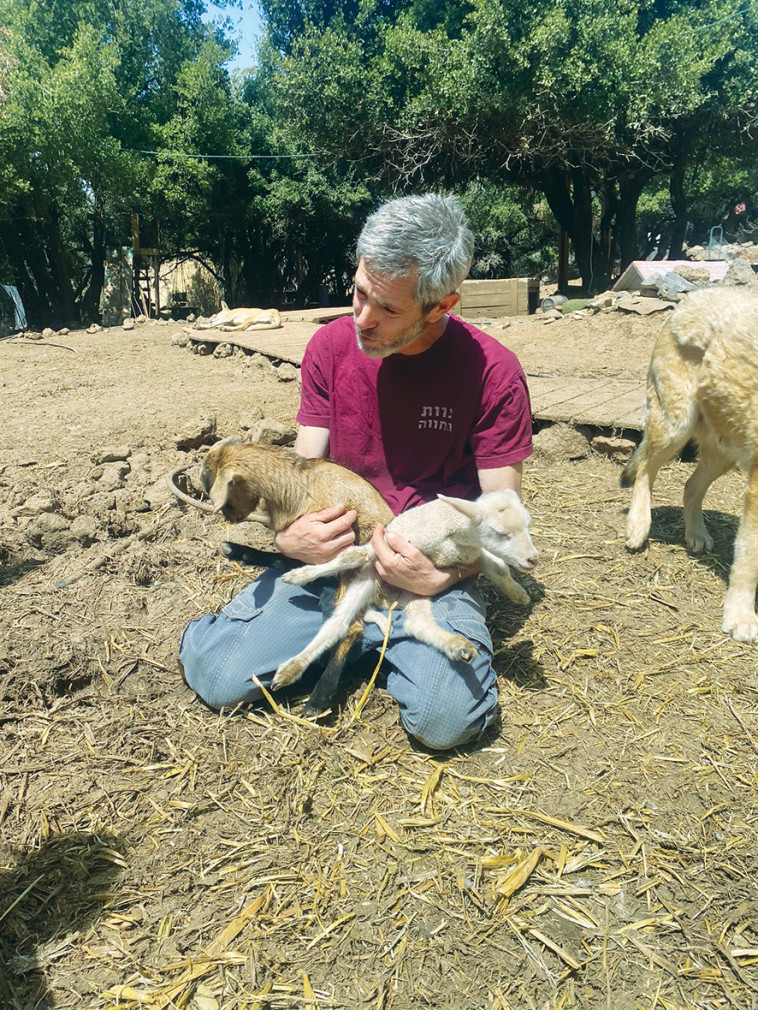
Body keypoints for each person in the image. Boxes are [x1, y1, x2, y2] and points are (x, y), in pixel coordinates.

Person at [180, 194, 533, 750]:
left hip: (428, 571)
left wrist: (447, 577)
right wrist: (289, 537)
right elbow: (301, 473)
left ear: (442, 306)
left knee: (446, 723)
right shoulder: (328, 348)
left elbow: (501, 523)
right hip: (337, 558)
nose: (362, 319)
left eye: (388, 310)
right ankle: (342, 637)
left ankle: (370, 642)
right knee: (218, 677)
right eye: (359, 293)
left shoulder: (492, 373)